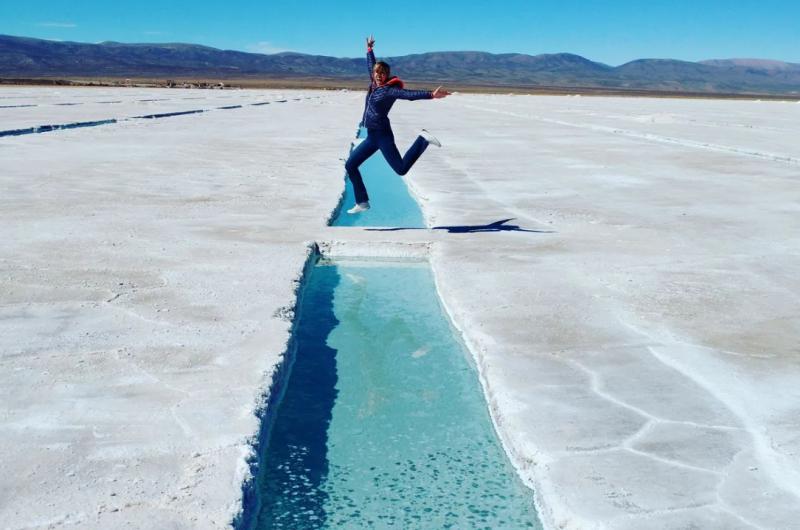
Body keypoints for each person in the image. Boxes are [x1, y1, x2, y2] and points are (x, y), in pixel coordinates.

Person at [344, 35, 451, 214]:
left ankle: (423, 139)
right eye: (377, 73)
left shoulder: (389, 91)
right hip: (371, 136)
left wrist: (431, 95)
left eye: (382, 73)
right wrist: (369, 50)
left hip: (383, 135)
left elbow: (409, 94)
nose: (378, 75)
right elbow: (371, 65)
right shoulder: (373, 84)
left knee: (401, 169)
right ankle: (362, 202)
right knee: (350, 165)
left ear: (387, 76)